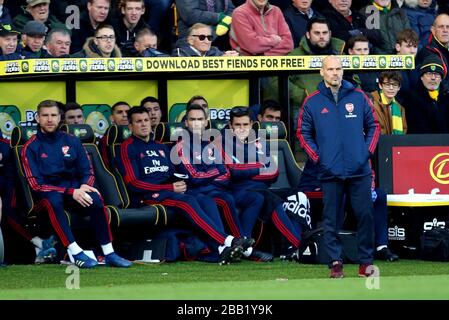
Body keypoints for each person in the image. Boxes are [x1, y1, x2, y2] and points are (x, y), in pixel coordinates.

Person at [116, 106, 253, 264]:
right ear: (130, 126)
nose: (144, 124)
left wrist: (181, 182)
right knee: (187, 202)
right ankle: (226, 241)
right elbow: (134, 184)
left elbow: (172, 174)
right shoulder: (127, 147)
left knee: (205, 199)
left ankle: (217, 249)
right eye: (138, 121)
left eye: (146, 120)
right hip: (146, 196)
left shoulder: (160, 146)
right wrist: (169, 188)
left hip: (169, 192)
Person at [21, 100, 131, 268]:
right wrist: (71, 191)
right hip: (47, 196)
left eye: (53, 115)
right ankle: (75, 251)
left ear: (59, 118)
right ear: (37, 118)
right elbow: (36, 185)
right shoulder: (30, 147)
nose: (49, 119)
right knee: (53, 201)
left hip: (75, 191)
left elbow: (88, 170)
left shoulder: (72, 140)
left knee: (94, 198)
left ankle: (109, 252)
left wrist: (85, 186)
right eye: (45, 115)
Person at [297, 56, 380, 278]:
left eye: (339, 68)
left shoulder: (359, 96)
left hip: (359, 169)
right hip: (329, 170)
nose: (335, 73)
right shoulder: (312, 101)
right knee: (331, 219)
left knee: (365, 215)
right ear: (322, 73)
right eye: (331, 69)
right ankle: (335, 262)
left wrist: (365, 153)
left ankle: (366, 263)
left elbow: (374, 126)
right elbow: (303, 133)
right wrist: (319, 157)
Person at [175, 104, 272, 261]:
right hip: (197, 192)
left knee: (255, 198)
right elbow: (195, 177)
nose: (197, 123)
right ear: (186, 123)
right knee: (223, 200)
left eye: (200, 119)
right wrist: (215, 173)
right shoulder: (181, 146)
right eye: (192, 119)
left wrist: (214, 174)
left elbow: (226, 173)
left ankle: (239, 245)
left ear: (206, 122)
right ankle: (233, 248)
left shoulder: (210, 144)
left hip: (217, 189)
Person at [224, 106, 304, 260]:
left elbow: (273, 172)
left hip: (262, 188)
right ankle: (297, 246)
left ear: (252, 124)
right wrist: (260, 167)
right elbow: (233, 172)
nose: (242, 129)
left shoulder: (260, 142)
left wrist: (248, 170)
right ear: (230, 126)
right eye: (237, 125)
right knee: (267, 198)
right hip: (238, 191)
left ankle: (295, 245)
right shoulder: (224, 143)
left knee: (298, 196)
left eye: (245, 125)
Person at [403, 54, 449, 133]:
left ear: (441, 78)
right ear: (421, 77)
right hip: (422, 143)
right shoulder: (412, 99)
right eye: (429, 74)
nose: (433, 78)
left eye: (437, 74)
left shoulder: (447, 97)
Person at [372, 71, 407, 135]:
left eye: (395, 85)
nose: (391, 88)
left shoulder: (400, 108)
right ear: (380, 85)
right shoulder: (372, 103)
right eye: (387, 84)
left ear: (399, 87)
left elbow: (404, 131)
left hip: (395, 143)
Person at [172, 23, 238, 57]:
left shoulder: (214, 51)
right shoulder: (180, 53)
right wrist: (220, 60)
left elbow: (224, 56)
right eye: (202, 37)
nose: (207, 41)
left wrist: (230, 56)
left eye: (209, 38)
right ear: (191, 40)